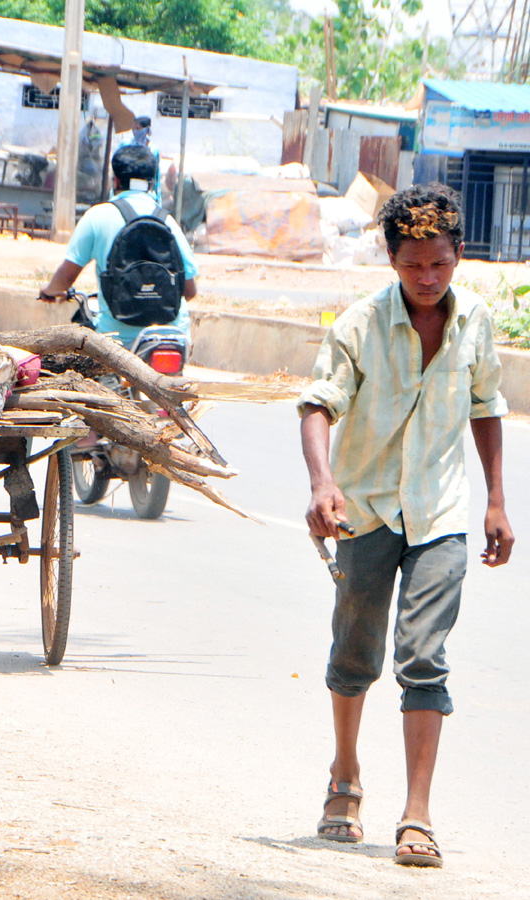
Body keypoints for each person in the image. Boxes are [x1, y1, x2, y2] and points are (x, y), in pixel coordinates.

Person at [298, 183, 513, 868]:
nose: (428, 278)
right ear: (392, 261)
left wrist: (496, 500)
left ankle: (417, 812)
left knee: (424, 655)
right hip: (364, 507)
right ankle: (344, 778)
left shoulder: (475, 320)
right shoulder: (358, 325)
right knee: (355, 650)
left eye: (441, 265)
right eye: (414, 265)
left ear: (459, 258)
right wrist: (323, 482)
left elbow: (487, 405)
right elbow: (317, 406)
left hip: (442, 511)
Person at [37, 144, 198, 353]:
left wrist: (50, 291)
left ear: (116, 181)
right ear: (151, 184)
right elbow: (190, 291)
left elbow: (66, 277)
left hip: (117, 342)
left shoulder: (97, 216)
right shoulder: (168, 221)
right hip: (172, 339)